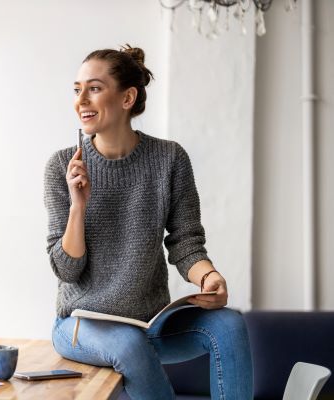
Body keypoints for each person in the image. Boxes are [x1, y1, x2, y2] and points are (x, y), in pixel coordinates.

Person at [43, 45, 253, 399]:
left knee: (230, 325)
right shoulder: (62, 166)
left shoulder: (169, 159)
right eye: (77, 90)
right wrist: (78, 205)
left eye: (94, 88)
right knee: (127, 344)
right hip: (80, 324)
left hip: (150, 323)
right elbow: (66, 271)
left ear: (127, 97)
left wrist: (209, 276)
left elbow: (186, 242)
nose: (81, 100)